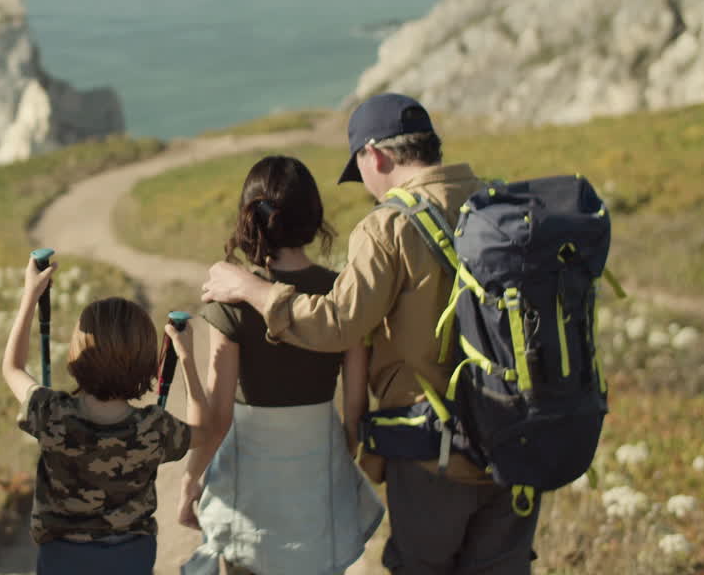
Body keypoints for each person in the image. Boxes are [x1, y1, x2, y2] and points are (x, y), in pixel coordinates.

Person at [201, 93, 541, 575]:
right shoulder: (500, 204)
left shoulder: (389, 227)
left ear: (375, 155)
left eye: (360, 169)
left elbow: (337, 326)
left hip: (436, 452)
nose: (365, 185)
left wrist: (251, 288)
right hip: (519, 439)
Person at [180, 155, 383, 575]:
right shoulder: (339, 296)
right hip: (316, 486)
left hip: (250, 494)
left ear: (250, 219)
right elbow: (355, 406)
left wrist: (191, 484)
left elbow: (217, 422)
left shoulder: (231, 301)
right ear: (314, 218)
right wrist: (338, 459)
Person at [0, 257, 211, 575]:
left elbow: (12, 368)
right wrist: (187, 360)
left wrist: (31, 293)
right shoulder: (154, 428)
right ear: (145, 364)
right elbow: (205, 430)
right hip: (131, 560)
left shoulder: (50, 413)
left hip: (61, 559)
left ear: (76, 353)